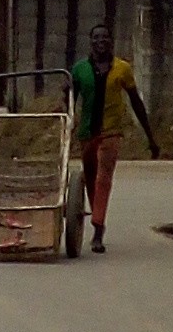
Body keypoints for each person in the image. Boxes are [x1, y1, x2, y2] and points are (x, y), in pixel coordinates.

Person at [65, 18, 155, 251]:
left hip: (111, 132)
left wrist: (150, 137)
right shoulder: (79, 70)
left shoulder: (122, 69)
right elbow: (69, 99)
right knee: (90, 177)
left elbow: (136, 102)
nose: (101, 41)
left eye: (105, 37)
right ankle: (97, 219)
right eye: (96, 38)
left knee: (104, 178)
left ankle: (98, 228)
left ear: (111, 41)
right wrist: (65, 125)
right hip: (87, 133)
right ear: (90, 42)